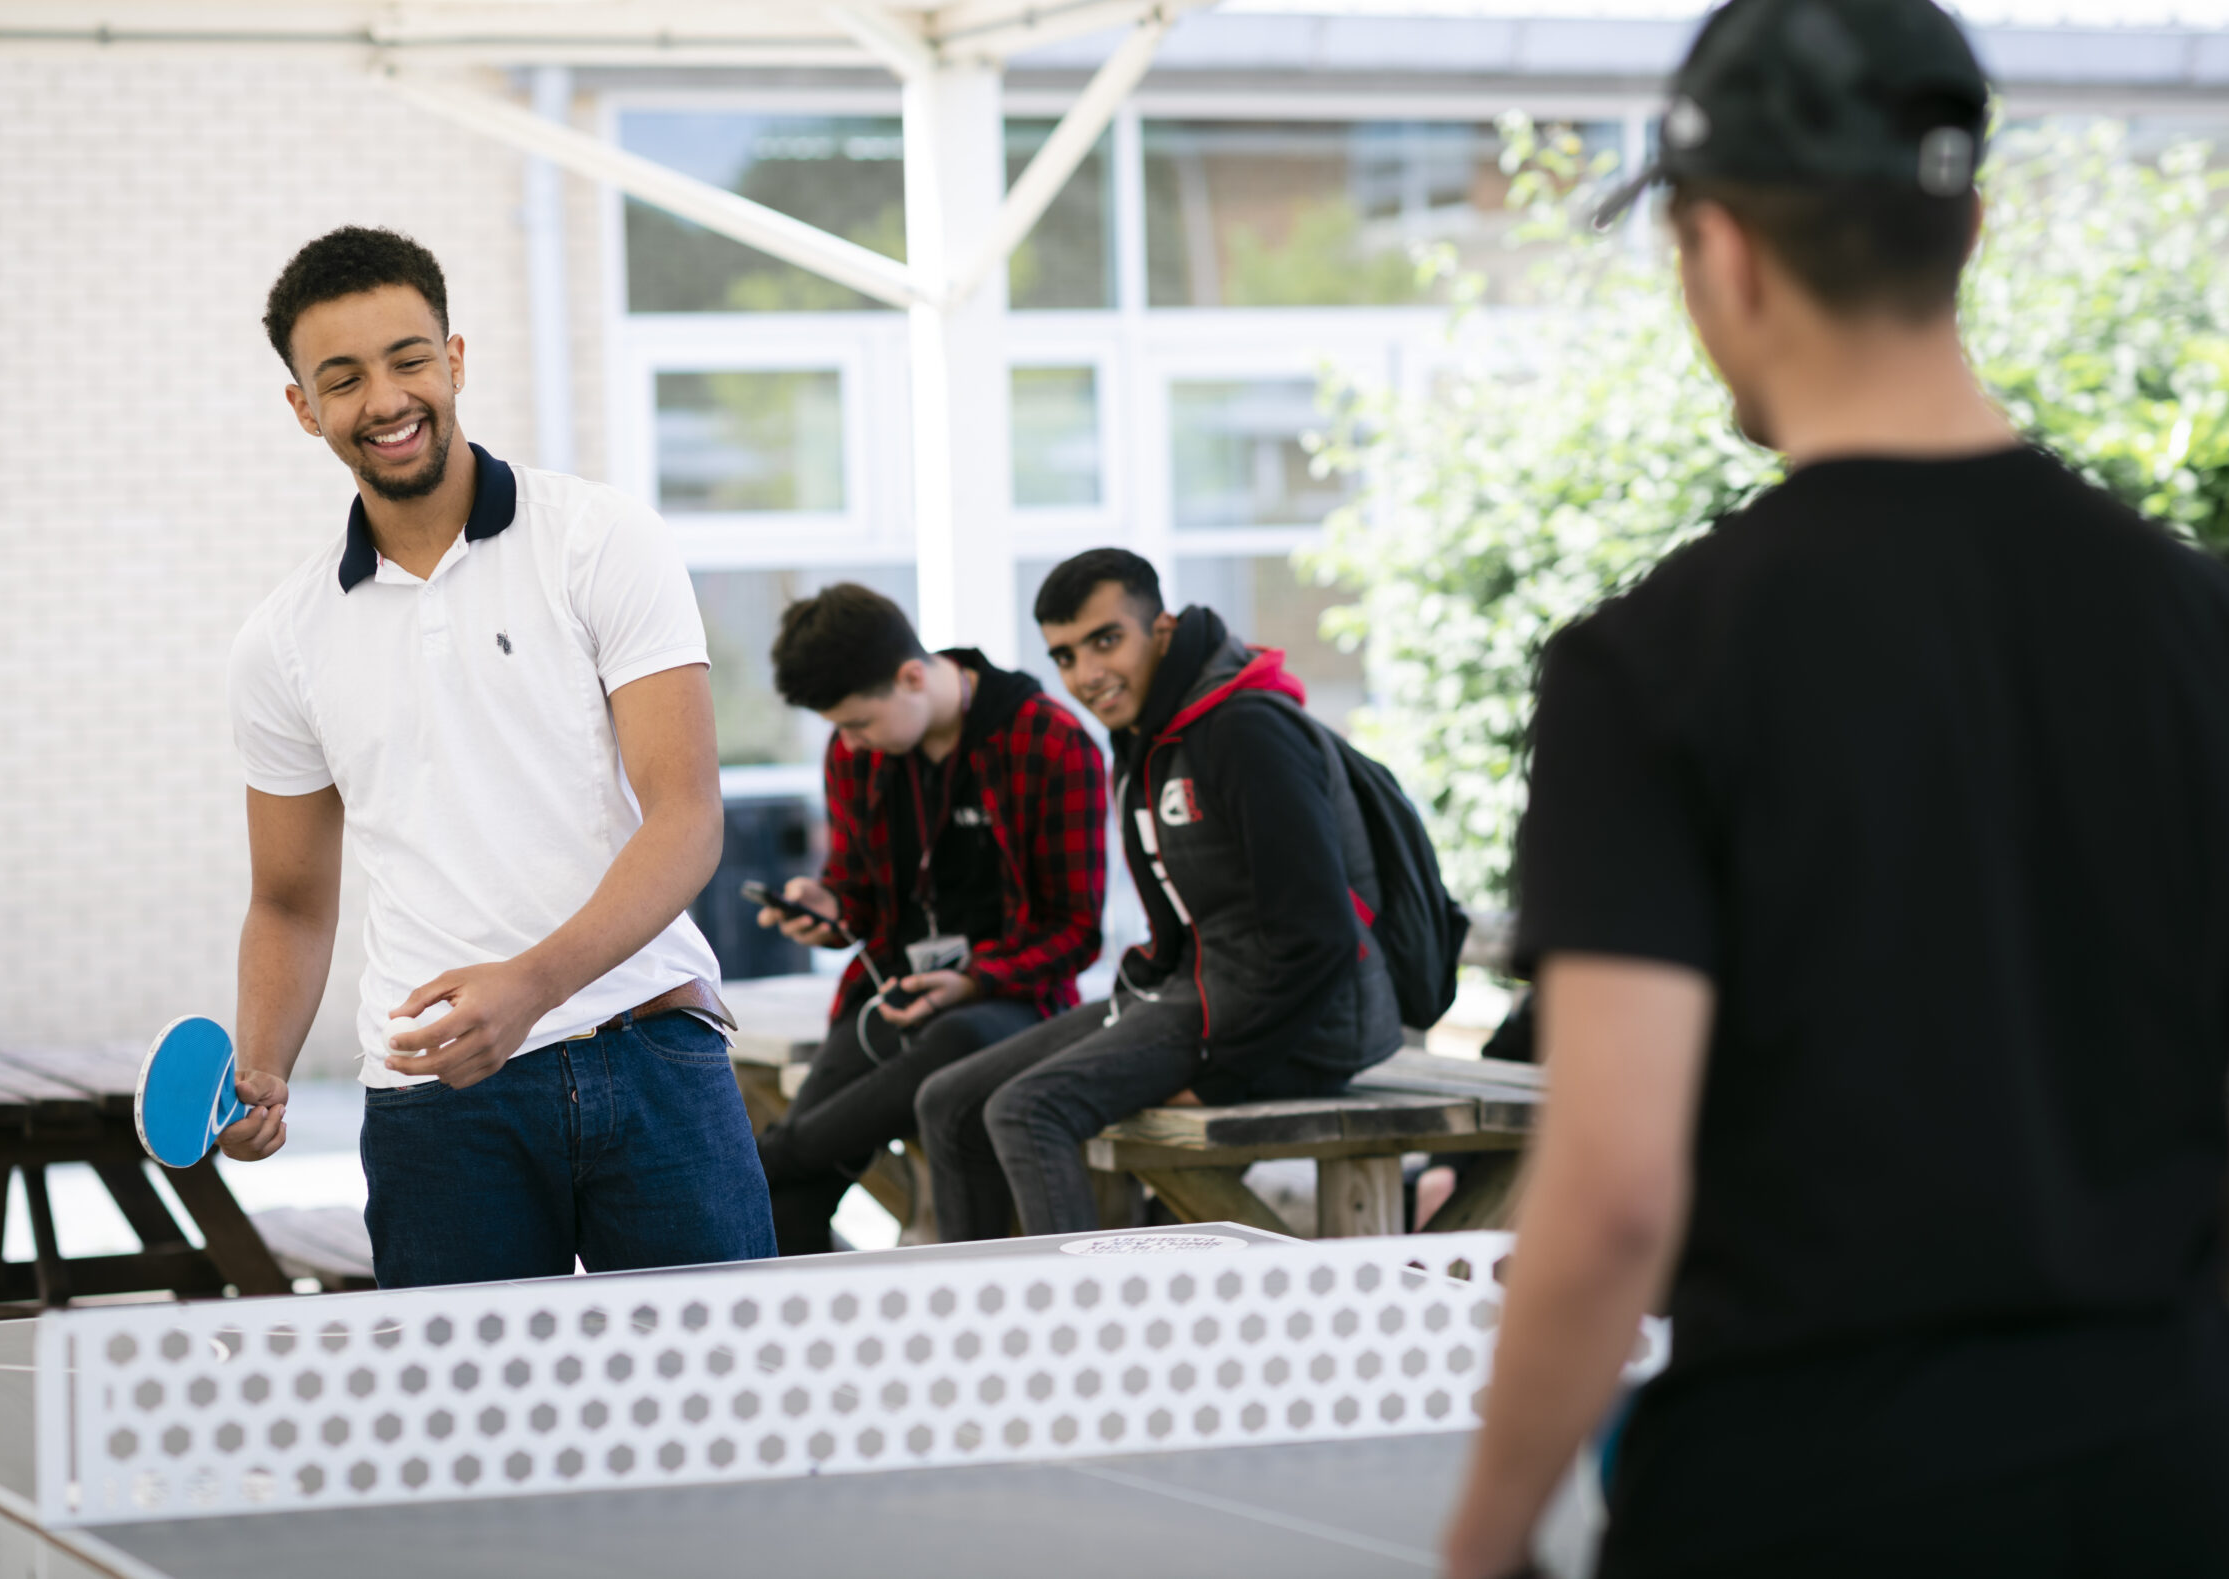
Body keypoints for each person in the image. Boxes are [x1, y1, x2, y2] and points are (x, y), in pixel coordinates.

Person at [1442, 0, 2229, 1579]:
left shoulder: (1654, 667)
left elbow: (1608, 1196)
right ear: (1973, 227)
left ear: (1719, 247)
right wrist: (2120, 1285)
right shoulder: (2212, 622)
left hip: (1808, 1500)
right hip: (2172, 1494)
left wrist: (1483, 1539)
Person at [218, 225, 774, 1286]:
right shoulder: (280, 641)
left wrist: (528, 989)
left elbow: (686, 818)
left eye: (409, 359)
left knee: (722, 1431)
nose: (385, 399)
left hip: (648, 1054)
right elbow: (289, 901)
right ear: (304, 409)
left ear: (456, 359)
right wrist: (264, 1065)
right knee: (467, 1450)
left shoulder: (600, 539)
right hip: (437, 1110)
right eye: (342, 378)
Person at [915, 549, 1404, 1238]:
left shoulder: (1244, 728)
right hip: (1200, 990)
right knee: (947, 1099)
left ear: (1163, 628)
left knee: (1027, 1110)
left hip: (1301, 1024)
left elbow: (1321, 937)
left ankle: (1083, 1340)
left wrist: (1224, 1077)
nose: (1087, 674)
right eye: (1064, 655)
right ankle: (980, 1326)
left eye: (1105, 640)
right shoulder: (1148, 734)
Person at [752, 583, 1107, 1253]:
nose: (850, 742)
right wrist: (827, 910)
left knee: (960, 1039)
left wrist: (974, 980)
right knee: (784, 1199)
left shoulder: (1051, 742)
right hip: (888, 1002)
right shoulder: (856, 752)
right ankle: (806, 1340)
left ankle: (773, 1153)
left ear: (913, 676)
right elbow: (855, 894)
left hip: (1012, 1006)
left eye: (859, 723)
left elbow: (1076, 929)